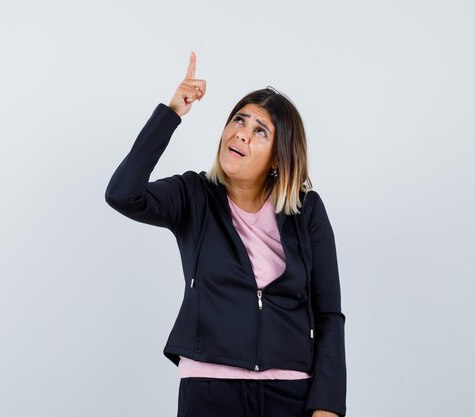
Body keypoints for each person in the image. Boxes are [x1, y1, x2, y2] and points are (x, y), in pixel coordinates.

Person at [105, 51, 347, 417]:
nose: (241, 134)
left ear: (279, 158)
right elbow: (123, 193)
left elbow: (328, 314)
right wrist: (171, 114)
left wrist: (327, 405)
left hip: (291, 391)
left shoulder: (306, 209)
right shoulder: (192, 196)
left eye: (259, 130)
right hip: (208, 389)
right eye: (239, 120)